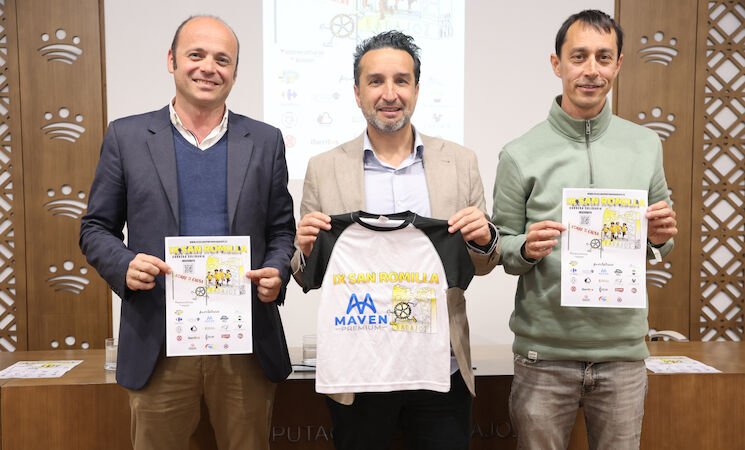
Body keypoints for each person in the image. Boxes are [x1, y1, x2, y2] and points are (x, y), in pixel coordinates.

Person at [79, 15, 295, 450]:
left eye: (222, 59)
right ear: (172, 61)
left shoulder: (266, 140)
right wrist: (125, 264)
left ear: (235, 72)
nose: (208, 68)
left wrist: (277, 271)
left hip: (244, 343)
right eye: (196, 55)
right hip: (158, 342)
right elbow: (95, 228)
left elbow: (281, 232)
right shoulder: (127, 136)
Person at [292, 30, 499, 450]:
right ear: (357, 93)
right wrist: (306, 250)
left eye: (401, 81)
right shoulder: (324, 168)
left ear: (417, 89)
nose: (390, 94)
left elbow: (481, 264)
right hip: (359, 367)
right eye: (376, 81)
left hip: (441, 366)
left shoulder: (460, 162)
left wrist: (483, 239)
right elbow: (306, 275)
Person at [491, 10, 678, 450]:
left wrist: (660, 237)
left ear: (618, 65)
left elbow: (660, 243)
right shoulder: (519, 153)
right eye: (579, 57)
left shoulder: (645, 145)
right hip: (543, 356)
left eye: (603, 57)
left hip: (622, 355)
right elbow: (499, 247)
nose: (591, 70)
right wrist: (526, 247)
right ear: (557, 64)